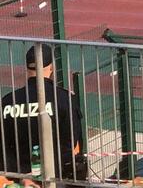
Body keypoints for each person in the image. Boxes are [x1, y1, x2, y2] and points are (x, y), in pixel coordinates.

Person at [0, 45, 86, 183]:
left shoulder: (7, 101)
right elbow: (72, 143)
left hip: (19, 179)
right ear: (52, 68)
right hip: (55, 177)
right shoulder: (64, 99)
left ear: (27, 68)